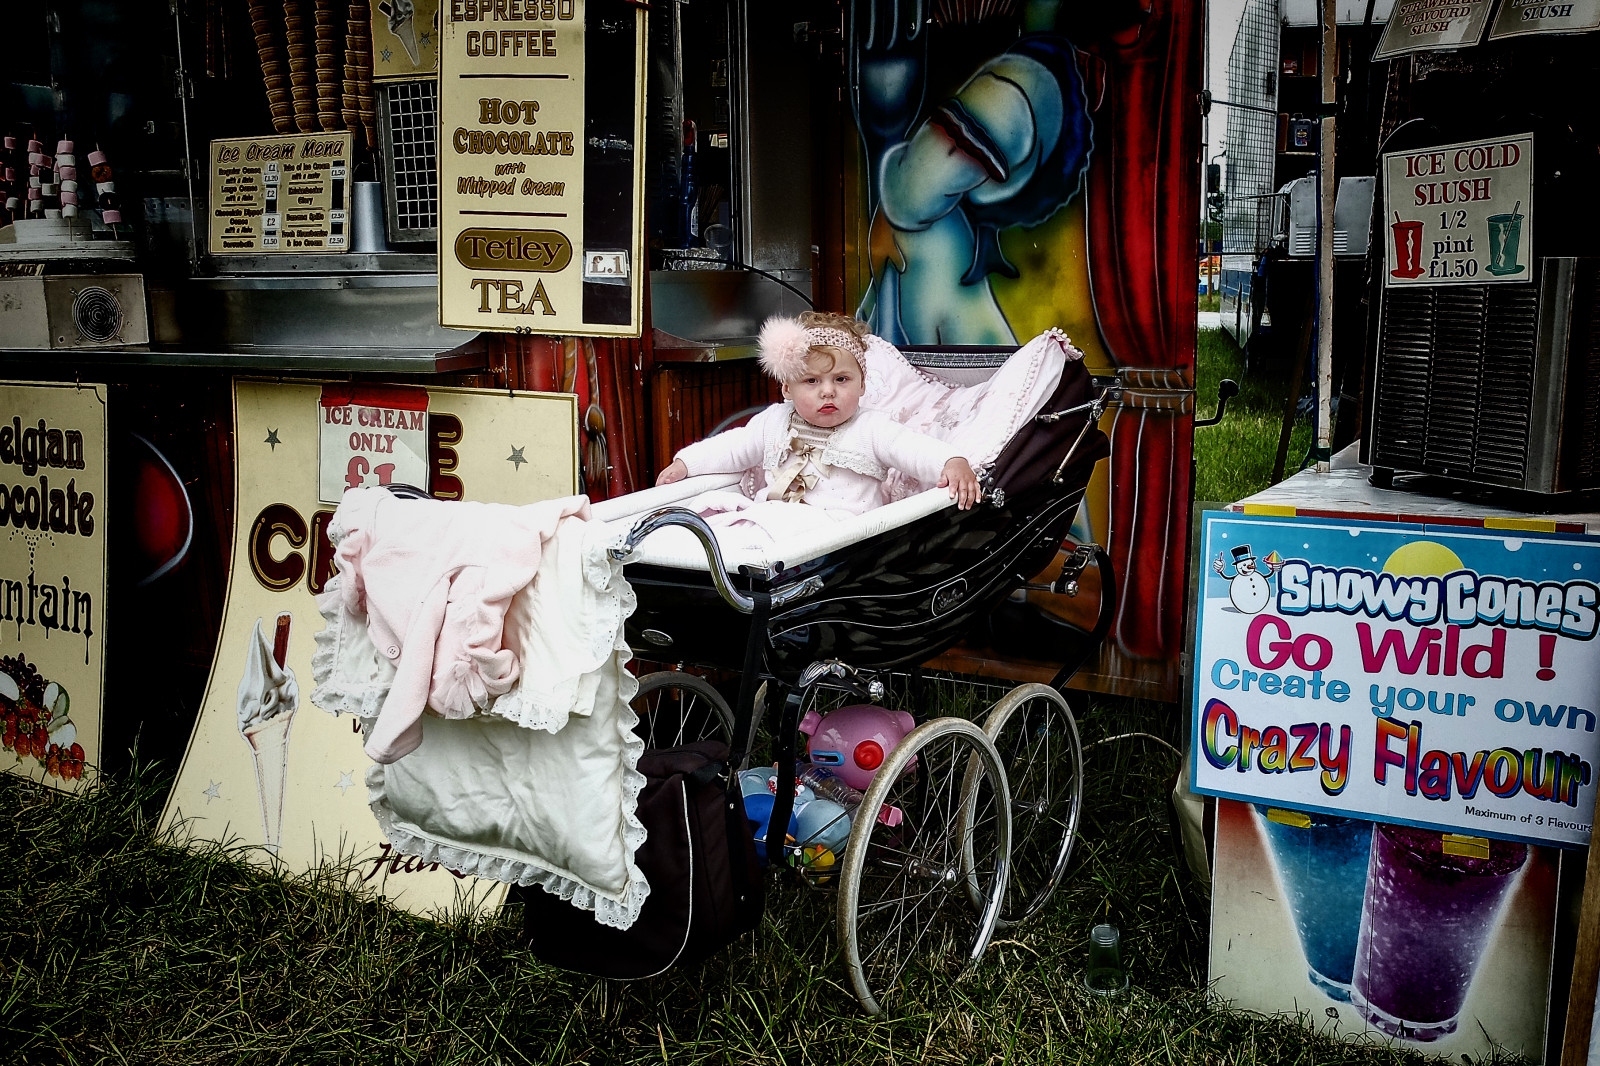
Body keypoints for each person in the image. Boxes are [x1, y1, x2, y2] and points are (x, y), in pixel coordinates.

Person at [656, 312, 981, 515]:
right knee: (718, 518)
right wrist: (687, 464)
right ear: (787, 389)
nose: (828, 391)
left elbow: (911, 448)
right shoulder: (774, 421)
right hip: (778, 521)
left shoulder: (871, 428)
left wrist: (951, 462)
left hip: (840, 532)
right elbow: (733, 448)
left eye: (841, 380)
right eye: (811, 381)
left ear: (862, 385)